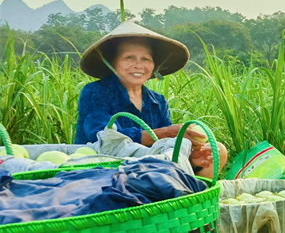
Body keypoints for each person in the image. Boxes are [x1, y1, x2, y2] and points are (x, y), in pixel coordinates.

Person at [76, 21, 228, 178]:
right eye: (129, 57)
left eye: (146, 59)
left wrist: (191, 158)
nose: (138, 65)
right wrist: (162, 133)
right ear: (112, 63)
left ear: (154, 66)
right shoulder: (95, 92)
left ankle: (193, 200)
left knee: (218, 150)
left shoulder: (158, 101)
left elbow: (167, 148)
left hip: (148, 168)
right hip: (103, 168)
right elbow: (103, 139)